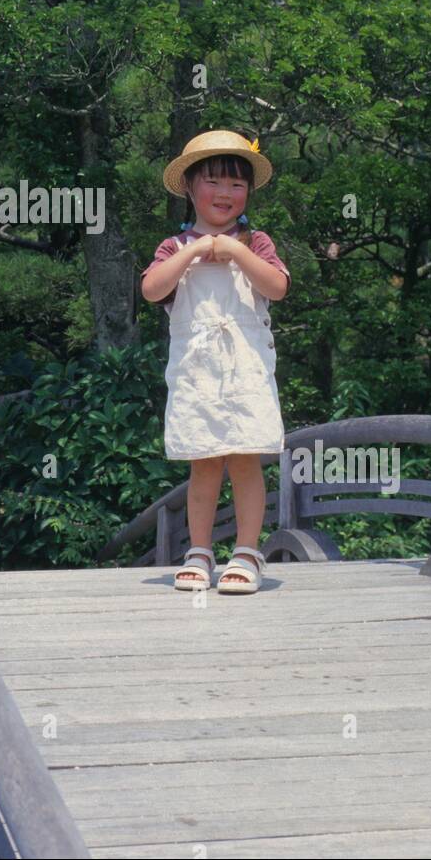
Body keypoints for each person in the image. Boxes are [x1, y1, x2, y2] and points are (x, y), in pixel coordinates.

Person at [141, 130, 290, 595]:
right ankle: (199, 551)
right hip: (196, 375)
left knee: (246, 460)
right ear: (189, 188)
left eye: (236, 185)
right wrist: (192, 252)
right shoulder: (173, 246)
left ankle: (246, 551)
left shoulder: (256, 242)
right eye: (214, 182)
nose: (225, 194)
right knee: (203, 463)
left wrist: (235, 251)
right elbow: (151, 289)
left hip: (246, 373)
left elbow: (277, 287)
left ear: (248, 192)